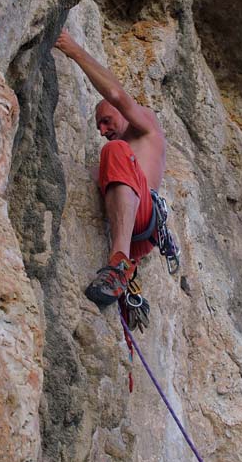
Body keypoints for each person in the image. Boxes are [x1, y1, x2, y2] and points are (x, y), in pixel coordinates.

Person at [54, 30, 166, 306]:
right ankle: (123, 271)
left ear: (121, 112)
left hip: (145, 217)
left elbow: (115, 93)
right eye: (99, 127)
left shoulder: (146, 126)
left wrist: (74, 50)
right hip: (137, 234)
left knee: (114, 151)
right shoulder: (120, 156)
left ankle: (118, 266)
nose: (103, 130)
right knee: (103, 164)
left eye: (106, 121)